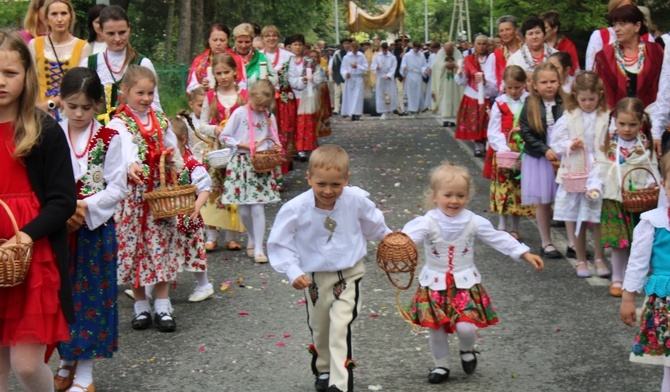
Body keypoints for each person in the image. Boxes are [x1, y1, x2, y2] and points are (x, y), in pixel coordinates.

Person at [400, 162, 543, 384]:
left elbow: (498, 237)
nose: (455, 200)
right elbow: (406, 239)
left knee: (466, 327)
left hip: (464, 285)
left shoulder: (474, 221)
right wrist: (396, 247)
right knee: (435, 330)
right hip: (433, 285)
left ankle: (467, 349)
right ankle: (441, 366)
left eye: (461, 195)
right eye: (448, 195)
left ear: (468, 196)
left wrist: (524, 253)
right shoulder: (426, 222)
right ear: (435, 196)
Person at [267, 145, 391, 392]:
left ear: (347, 180)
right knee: (320, 327)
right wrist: (292, 271)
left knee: (340, 326)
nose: (328, 191)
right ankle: (324, 369)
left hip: (348, 274)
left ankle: (340, 381)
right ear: (309, 178)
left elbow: (374, 225)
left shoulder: (356, 201)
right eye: (321, 184)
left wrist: (390, 240)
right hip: (313, 279)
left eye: (336, 185)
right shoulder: (295, 208)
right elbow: (280, 243)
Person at [0, 29, 76, 392]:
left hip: (32, 256)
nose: (0, 82)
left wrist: (24, 236)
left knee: (27, 365)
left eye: (10, 73)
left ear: (27, 75)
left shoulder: (42, 129)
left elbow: (63, 200)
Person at [54, 67, 126, 392]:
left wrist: (85, 207)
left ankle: (84, 373)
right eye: (73, 107)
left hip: (93, 233)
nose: (79, 113)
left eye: (86, 106)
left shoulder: (110, 138)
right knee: (60, 297)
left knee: (91, 298)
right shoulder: (52, 134)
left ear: (98, 104)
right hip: (58, 230)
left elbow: (116, 187)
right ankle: (65, 359)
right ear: (60, 103)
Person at [108, 65, 182, 333]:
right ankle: (140, 304)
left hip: (160, 197)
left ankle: (162, 304)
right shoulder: (119, 123)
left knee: (160, 246)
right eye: (140, 92)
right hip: (133, 199)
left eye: (150, 93)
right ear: (125, 91)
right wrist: (131, 163)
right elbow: (124, 148)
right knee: (135, 249)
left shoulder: (160, 119)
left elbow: (172, 147)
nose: (146, 98)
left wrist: (177, 163)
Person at [590, 97, 659, 297]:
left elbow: (651, 171)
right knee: (618, 242)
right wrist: (594, 186)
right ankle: (617, 278)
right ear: (615, 122)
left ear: (641, 124)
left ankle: (633, 278)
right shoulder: (609, 145)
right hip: (613, 199)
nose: (627, 129)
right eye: (622, 124)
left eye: (632, 124)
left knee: (638, 241)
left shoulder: (645, 147)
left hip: (638, 201)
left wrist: (650, 186)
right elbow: (599, 169)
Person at [549, 71, 610, 279]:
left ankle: (600, 258)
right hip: (577, 170)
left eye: (592, 99)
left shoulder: (606, 116)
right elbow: (555, 142)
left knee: (599, 217)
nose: (587, 103)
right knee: (580, 219)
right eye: (583, 99)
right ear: (575, 96)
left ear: (600, 95)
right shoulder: (569, 117)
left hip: (600, 171)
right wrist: (570, 144)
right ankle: (582, 259)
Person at [620, 153, 670, 389]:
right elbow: (638, 262)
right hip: (666, 303)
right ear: (663, 185)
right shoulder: (653, 221)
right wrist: (628, 298)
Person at [218, 80, 281, 263]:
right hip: (241, 163)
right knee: (244, 211)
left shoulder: (268, 116)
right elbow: (224, 136)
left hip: (260, 166)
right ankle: (252, 237)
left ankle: (260, 248)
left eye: (265, 105)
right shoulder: (239, 114)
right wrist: (241, 144)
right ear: (250, 97)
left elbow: (271, 137)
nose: (261, 109)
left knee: (258, 207)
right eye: (258, 104)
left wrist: (273, 147)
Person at [197, 53, 247, 252]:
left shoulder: (243, 96)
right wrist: (215, 129)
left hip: (237, 151)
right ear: (214, 75)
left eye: (226, 72)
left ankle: (232, 235)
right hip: (216, 150)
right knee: (213, 192)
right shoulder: (210, 97)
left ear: (235, 72)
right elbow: (201, 125)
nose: (223, 76)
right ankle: (211, 234)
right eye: (219, 73)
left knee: (234, 191)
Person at [81, 5, 162, 118]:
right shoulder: (89, 64)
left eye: (122, 32)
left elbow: (155, 107)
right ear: (101, 31)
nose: (117, 39)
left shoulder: (142, 63)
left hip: (134, 132)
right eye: (111, 33)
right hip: (97, 133)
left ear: (129, 28)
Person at [519, 62, 565, 259]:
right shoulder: (531, 104)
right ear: (535, 85)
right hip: (540, 158)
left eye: (553, 81)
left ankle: (573, 242)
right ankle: (546, 242)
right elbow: (525, 131)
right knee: (544, 200)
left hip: (563, 155)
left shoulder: (566, 101)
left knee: (567, 199)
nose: (549, 86)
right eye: (544, 82)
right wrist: (544, 150)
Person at [484, 65, 534, 240]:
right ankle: (502, 223)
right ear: (504, 85)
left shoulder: (529, 101)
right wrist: (503, 147)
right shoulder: (500, 103)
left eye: (517, 87)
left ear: (524, 85)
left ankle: (515, 226)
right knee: (504, 187)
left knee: (518, 189)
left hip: (523, 150)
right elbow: (493, 130)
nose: (513, 91)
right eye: (510, 87)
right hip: (505, 152)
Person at [171, 114, 213, 302]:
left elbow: (205, 187)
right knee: (164, 251)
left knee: (193, 250)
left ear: (182, 140)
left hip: (188, 216)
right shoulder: (166, 162)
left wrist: (196, 207)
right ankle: (147, 289)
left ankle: (204, 284)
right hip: (170, 216)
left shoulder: (191, 164)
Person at [29, 0, 91, 117]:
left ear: (70, 17)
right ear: (46, 19)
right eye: (54, 14)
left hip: (69, 110)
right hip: (37, 109)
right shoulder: (34, 44)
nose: (59, 19)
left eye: (64, 13)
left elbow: (80, 85)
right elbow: (29, 80)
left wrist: (50, 104)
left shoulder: (82, 47)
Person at [594, 5, 663, 110]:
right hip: (615, 120)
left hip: (651, 119)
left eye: (622, 24)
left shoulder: (655, 52)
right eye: (614, 24)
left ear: (637, 26)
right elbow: (600, 94)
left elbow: (664, 86)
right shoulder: (603, 57)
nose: (616, 29)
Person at [585, 0, 655, 71]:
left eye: (627, 8)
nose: (623, 12)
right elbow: (591, 70)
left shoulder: (647, 38)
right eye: (620, 9)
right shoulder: (600, 36)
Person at [454, 35, 495, 156]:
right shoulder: (469, 59)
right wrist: (460, 72)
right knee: (475, 123)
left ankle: (488, 144)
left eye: (484, 44)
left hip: (487, 94)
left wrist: (485, 81)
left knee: (487, 122)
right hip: (472, 95)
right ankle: (478, 145)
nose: (481, 47)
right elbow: (462, 81)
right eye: (479, 44)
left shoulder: (491, 59)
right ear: (475, 45)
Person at [287, 34, 322, 162]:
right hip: (290, 95)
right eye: (295, 45)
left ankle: (304, 148)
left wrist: (313, 79)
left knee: (305, 122)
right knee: (292, 122)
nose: (297, 47)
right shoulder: (287, 61)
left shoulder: (309, 61)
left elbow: (319, 75)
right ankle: (293, 148)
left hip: (305, 95)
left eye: (300, 45)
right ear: (290, 47)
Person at [186, 23, 245, 95]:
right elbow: (190, 89)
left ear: (227, 42)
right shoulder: (199, 61)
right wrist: (201, 87)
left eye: (222, 40)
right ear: (209, 41)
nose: (218, 43)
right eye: (215, 40)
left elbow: (243, 86)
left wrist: (230, 85)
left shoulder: (237, 60)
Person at [231, 23, 276, 91]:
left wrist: (268, 80)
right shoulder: (227, 57)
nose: (243, 46)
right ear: (234, 40)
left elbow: (275, 79)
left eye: (247, 42)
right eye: (240, 42)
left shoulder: (262, 57)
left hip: (257, 98)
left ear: (252, 41)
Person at [484, 15, 523, 94]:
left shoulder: (526, 51)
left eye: (507, 29)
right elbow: (492, 86)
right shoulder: (495, 56)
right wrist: (484, 82)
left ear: (516, 31)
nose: (504, 33)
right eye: (501, 31)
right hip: (506, 99)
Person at [431, 42, 464, 127]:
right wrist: (445, 65)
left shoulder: (457, 53)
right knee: (445, 97)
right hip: (444, 80)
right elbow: (436, 66)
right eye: (447, 52)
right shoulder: (440, 53)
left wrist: (455, 65)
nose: (448, 54)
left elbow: (461, 65)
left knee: (455, 97)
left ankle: (453, 119)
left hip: (455, 81)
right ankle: (445, 119)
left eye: (450, 51)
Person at [540, 10, 580, 76]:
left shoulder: (567, 46)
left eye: (545, 28)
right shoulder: (538, 45)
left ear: (555, 28)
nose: (542, 31)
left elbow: (574, 70)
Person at [340, 40, 368, 121]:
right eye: (354, 50)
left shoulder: (361, 56)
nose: (355, 52)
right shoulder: (346, 57)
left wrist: (357, 66)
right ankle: (350, 112)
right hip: (350, 78)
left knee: (357, 96)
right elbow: (343, 68)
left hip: (358, 78)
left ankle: (357, 113)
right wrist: (346, 74)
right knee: (350, 96)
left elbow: (365, 67)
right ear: (351, 48)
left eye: (356, 50)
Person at [400, 41, 427, 116]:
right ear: (413, 47)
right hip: (410, 75)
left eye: (418, 48)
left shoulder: (421, 55)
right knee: (409, 93)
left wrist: (424, 70)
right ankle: (410, 108)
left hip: (418, 75)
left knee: (418, 93)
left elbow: (424, 65)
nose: (417, 50)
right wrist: (404, 68)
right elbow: (403, 64)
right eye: (416, 48)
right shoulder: (407, 55)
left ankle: (417, 109)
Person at [371, 42, 397, 119]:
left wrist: (389, 75)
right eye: (383, 50)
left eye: (386, 50)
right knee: (380, 94)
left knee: (390, 94)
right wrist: (376, 67)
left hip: (388, 78)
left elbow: (393, 67)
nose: (384, 52)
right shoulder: (377, 56)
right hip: (380, 77)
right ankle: (383, 111)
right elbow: (373, 66)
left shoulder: (392, 57)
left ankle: (390, 110)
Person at [329, 38, 351, 115]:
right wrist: (334, 77)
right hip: (338, 76)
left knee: (346, 94)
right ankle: (336, 108)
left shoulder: (351, 54)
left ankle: (346, 109)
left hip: (348, 77)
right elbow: (334, 66)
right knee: (337, 93)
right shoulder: (338, 54)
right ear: (342, 44)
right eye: (345, 43)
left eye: (348, 43)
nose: (347, 45)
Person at [422, 41, 440, 111]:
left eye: (434, 50)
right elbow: (429, 64)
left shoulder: (442, 55)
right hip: (432, 77)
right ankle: (432, 104)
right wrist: (428, 69)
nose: (432, 51)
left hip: (439, 76)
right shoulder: (431, 56)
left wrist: (434, 69)